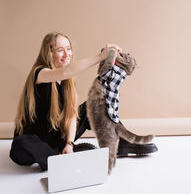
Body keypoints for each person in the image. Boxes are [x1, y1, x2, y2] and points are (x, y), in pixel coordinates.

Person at [10, 32, 157, 171]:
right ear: (49, 53)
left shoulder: (67, 81)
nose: (67, 54)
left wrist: (69, 143)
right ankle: (60, 158)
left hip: (56, 139)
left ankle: (121, 143)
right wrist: (101, 56)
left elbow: (71, 115)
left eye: (69, 49)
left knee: (93, 104)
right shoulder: (40, 73)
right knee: (20, 144)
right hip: (34, 142)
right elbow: (65, 71)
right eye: (60, 50)